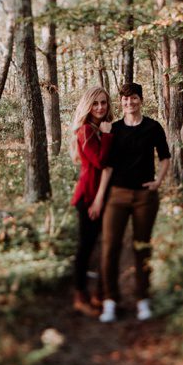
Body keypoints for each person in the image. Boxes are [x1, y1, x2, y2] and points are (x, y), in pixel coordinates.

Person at [90, 82, 170, 323]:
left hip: (145, 197)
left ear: (140, 100)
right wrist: (100, 197)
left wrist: (158, 181)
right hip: (117, 195)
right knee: (110, 247)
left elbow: (165, 157)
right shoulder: (113, 129)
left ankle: (142, 299)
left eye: (134, 98)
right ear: (121, 102)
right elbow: (107, 167)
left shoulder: (153, 127)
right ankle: (110, 301)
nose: (129, 102)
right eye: (125, 99)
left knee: (141, 247)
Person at [68, 86, 114, 317]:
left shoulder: (102, 128)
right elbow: (100, 161)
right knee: (86, 246)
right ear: (88, 106)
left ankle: (99, 294)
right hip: (88, 196)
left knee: (105, 246)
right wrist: (106, 136)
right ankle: (80, 295)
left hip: (104, 195)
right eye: (95, 103)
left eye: (103, 102)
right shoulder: (86, 130)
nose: (100, 107)